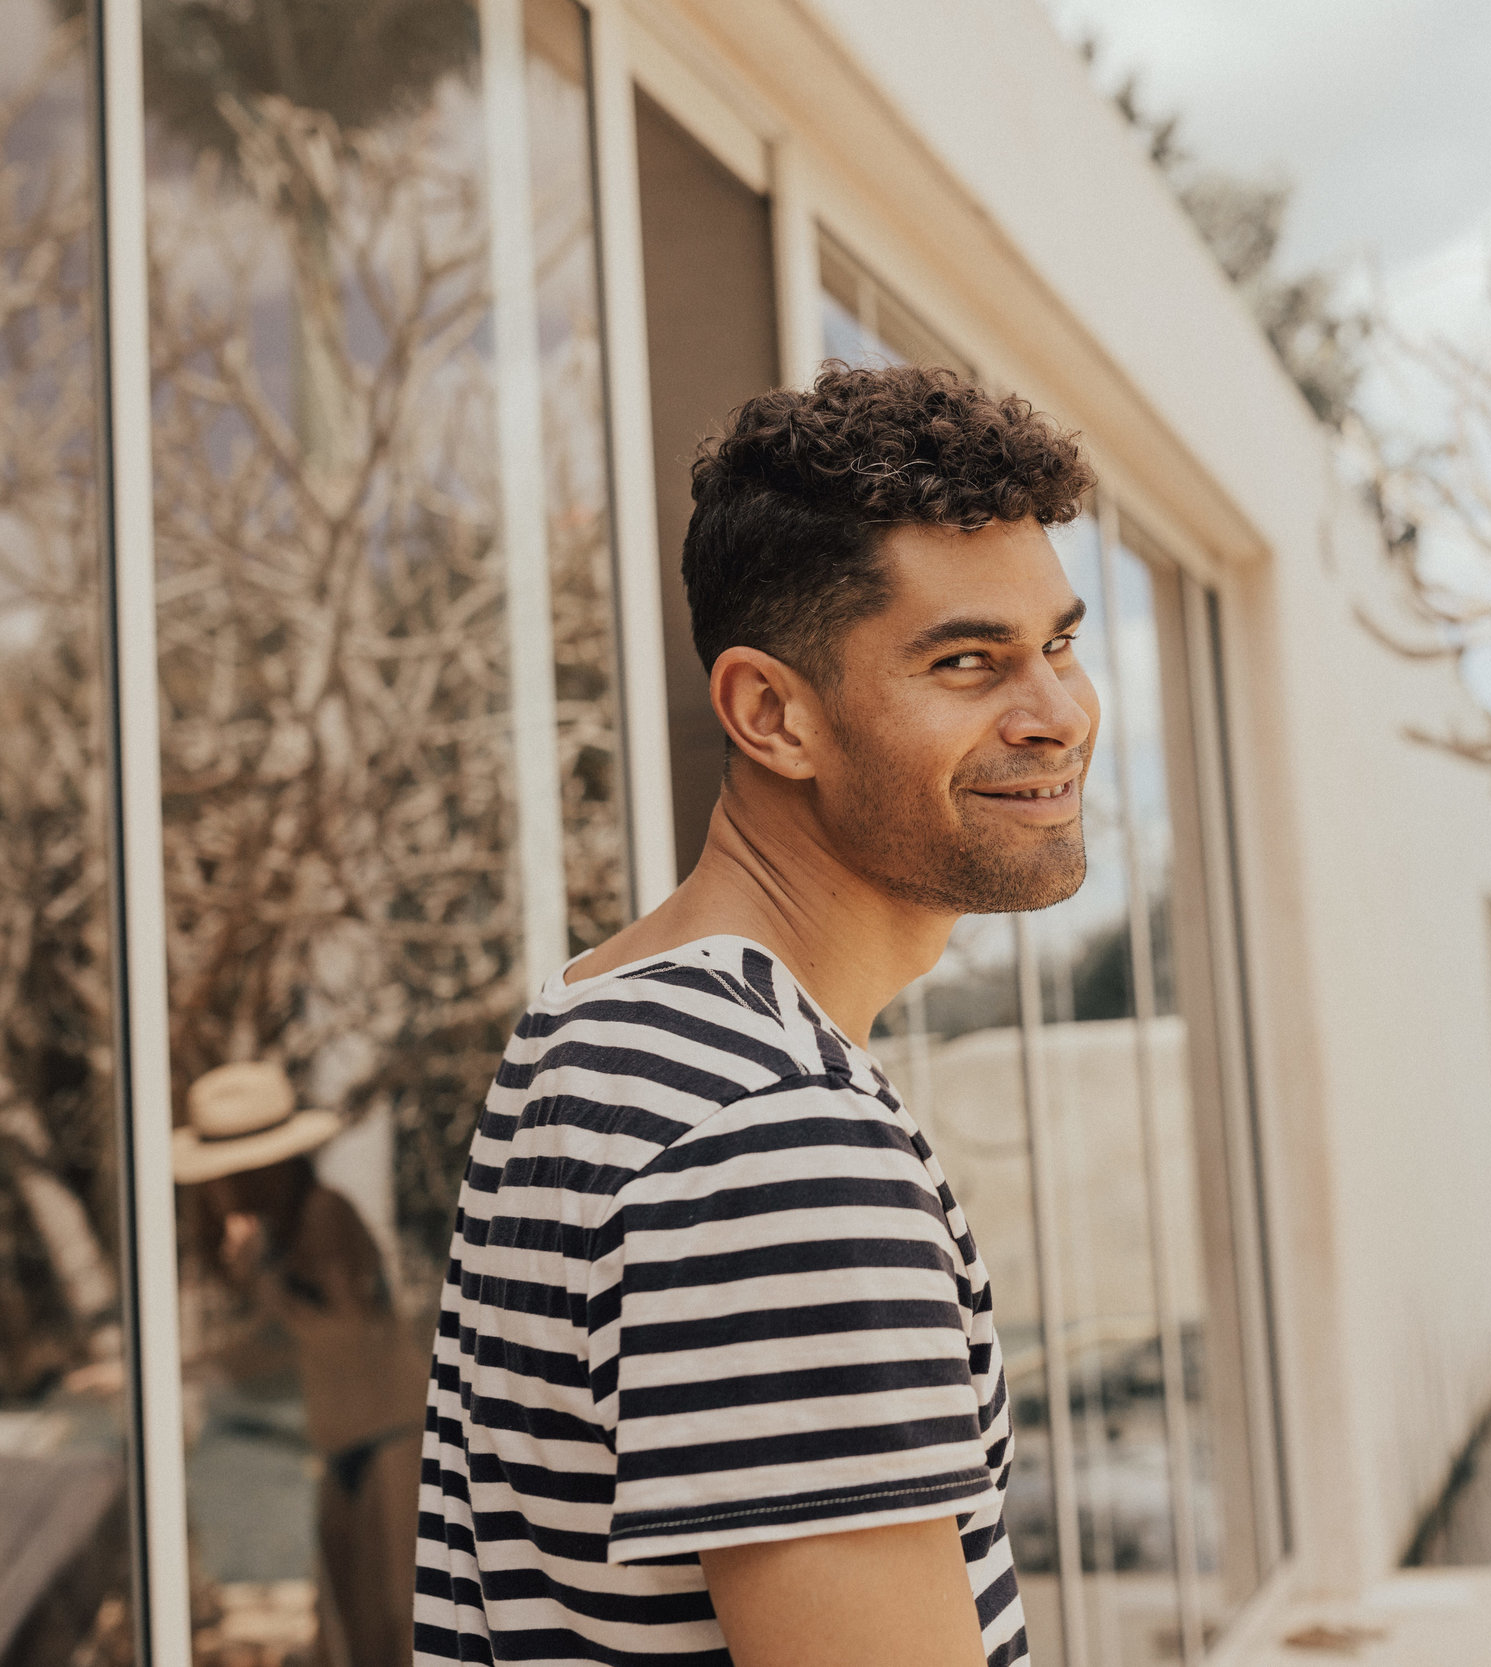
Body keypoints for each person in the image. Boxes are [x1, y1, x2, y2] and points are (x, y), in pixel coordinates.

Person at [415, 363, 1096, 1667]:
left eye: (1058, 642)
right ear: (772, 712)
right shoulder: (774, 1140)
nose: (1058, 714)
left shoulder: (595, 1021)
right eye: (970, 661)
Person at [175, 1060, 428, 1667]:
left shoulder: (324, 1214)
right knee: (351, 1632)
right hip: (344, 1449)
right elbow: (274, 1349)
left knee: (396, 1629)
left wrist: (261, 1284)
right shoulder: (282, 1234)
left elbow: (341, 1333)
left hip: (391, 1446)